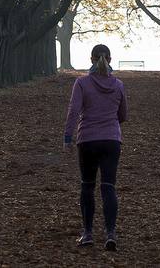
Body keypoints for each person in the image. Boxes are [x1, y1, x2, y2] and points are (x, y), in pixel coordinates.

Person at [63, 43, 127, 250]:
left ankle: (88, 233)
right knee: (108, 187)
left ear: (91, 59)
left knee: (87, 186)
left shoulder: (82, 83)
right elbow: (123, 115)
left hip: (88, 140)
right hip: (111, 140)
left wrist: (67, 137)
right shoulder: (118, 85)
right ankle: (111, 234)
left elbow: (74, 111)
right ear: (110, 59)